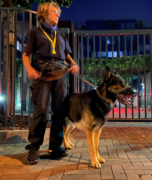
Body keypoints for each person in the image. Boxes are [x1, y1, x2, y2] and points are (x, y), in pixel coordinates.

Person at [22, 1, 79, 165]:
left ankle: (55, 146)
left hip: (60, 75)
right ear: (44, 14)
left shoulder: (61, 36)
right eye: (54, 11)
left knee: (59, 111)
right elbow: (26, 55)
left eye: (59, 13)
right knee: (40, 110)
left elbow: (67, 56)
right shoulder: (34, 32)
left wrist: (74, 64)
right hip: (42, 74)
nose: (58, 15)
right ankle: (34, 148)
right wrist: (29, 70)